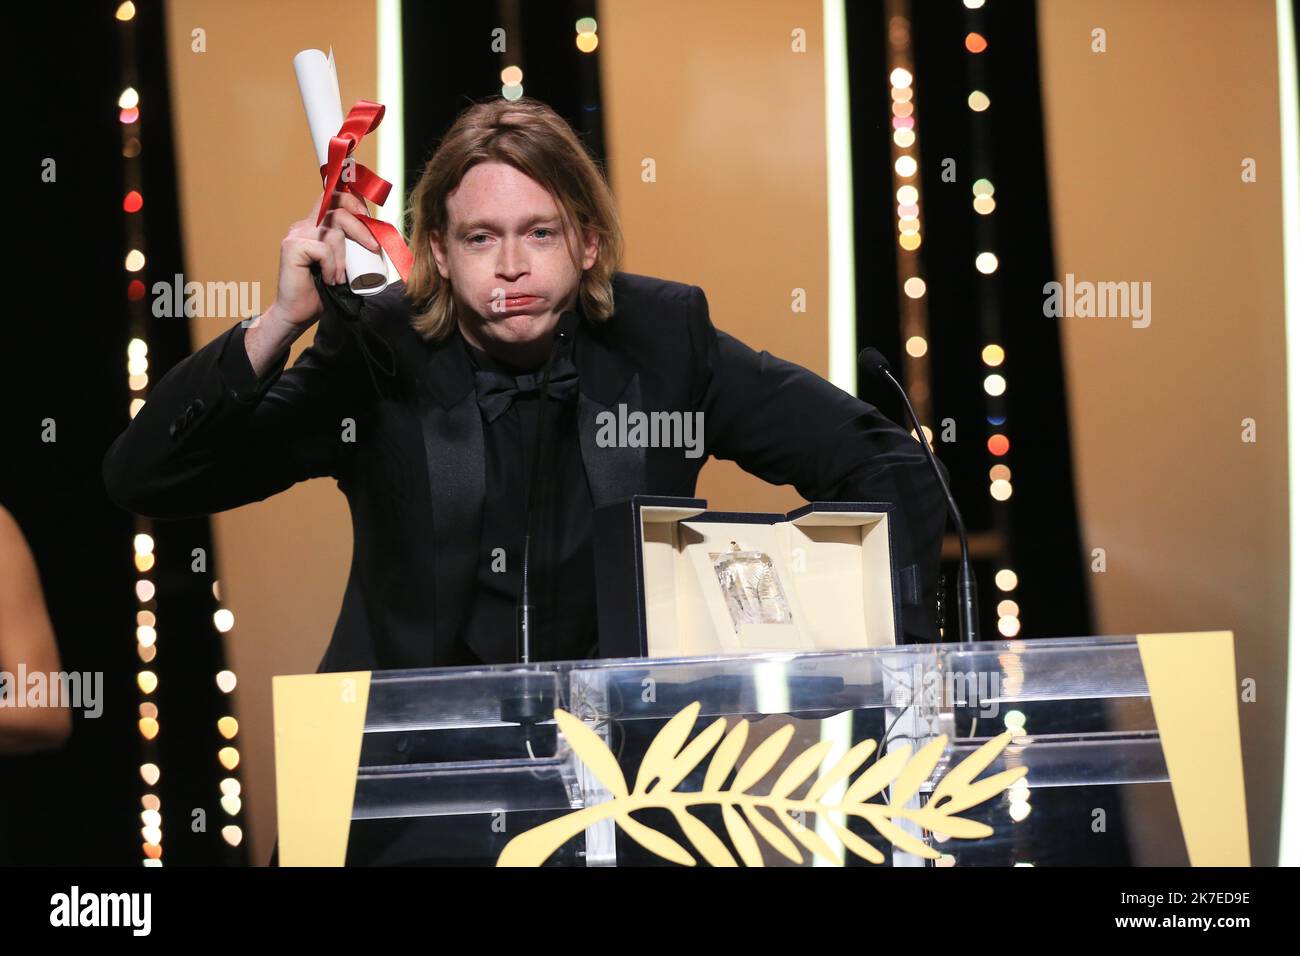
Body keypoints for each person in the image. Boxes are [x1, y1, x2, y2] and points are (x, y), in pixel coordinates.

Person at [102, 96, 949, 673]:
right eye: (480, 238)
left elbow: (891, 467)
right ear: (437, 251)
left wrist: (821, 630)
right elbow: (147, 477)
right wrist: (280, 324)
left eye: (538, 232)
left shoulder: (662, 341)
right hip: (403, 779)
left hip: (616, 779)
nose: (511, 265)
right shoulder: (377, 353)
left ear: (586, 241)